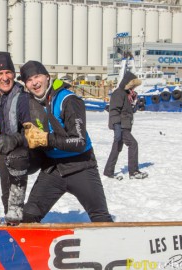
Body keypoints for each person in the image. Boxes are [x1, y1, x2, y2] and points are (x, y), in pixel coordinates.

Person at [19, 60, 113, 223]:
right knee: (28, 217)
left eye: (37, 76)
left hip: (80, 166)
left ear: (47, 77)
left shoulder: (68, 100)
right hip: (53, 169)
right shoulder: (29, 103)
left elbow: (79, 142)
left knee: (100, 218)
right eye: (29, 80)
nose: (34, 83)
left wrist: (46, 139)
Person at [0, 51, 36, 223]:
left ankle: (17, 221)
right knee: (6, 193)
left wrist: (15, 139)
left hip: (22, 153)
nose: (5, 78)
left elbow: (32, 133)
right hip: (2, 151)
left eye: (8, 72)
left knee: (15, 197)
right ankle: (11, 225)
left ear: (14, 74)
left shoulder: (23, 97)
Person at [104, 71, 148, 180]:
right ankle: (133, 172)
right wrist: (117, 126)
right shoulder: (118, 93)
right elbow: (114, 110)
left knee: (117, 148)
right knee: (133, 144)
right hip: (121, 126)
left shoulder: (126, 94)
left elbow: (126, 111)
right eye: (133, 86)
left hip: (124, 125)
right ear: (127, 83)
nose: (133, 88)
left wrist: (136, 107)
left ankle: (108, 171)